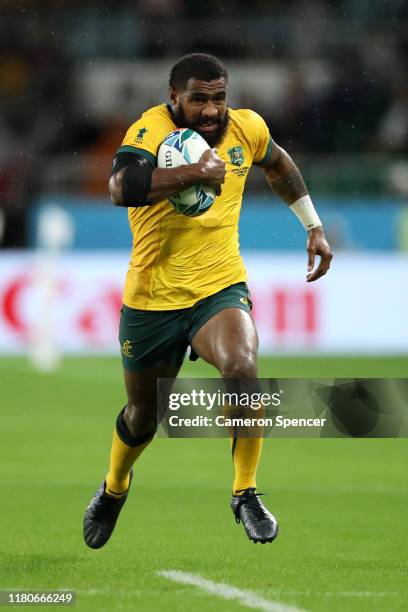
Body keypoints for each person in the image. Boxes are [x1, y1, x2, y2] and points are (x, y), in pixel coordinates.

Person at [83, 53, 333, 548]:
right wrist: (194, 174)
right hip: (153, 297)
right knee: (143, 415)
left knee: (242, 366)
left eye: (219, 98)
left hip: (219, 287)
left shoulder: (247, 129)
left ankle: (246, 491)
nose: (211, 110)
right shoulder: (149, 131)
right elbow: (120, 187)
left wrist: (314, 226)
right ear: (174, 97)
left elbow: (279, 164)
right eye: (198, 99)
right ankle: (114, 487)